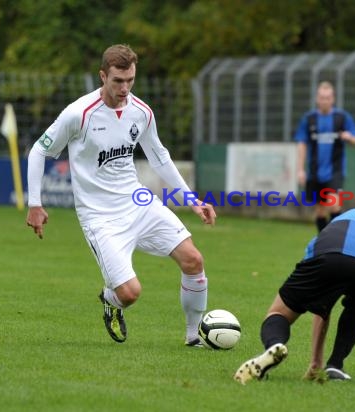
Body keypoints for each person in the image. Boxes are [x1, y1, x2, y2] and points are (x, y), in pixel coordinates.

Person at [26, 44, 216, 345]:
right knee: (130, 293)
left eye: (130, 80)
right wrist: (35, 204)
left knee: (193, 259)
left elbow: (160, 158)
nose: (125, 88)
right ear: (103, 76)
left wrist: (192, 201)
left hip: (138, 203)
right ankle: (111, 301)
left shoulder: (141, 112)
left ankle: (194, 336)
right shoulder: (79, 114)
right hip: (100, 217)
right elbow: (39, 150)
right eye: (118, 81)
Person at [234, 177, 355, 385]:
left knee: (279, 312)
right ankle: (334, 365)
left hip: (327, 253)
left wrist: (314, 362)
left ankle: (275, 344)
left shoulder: (343, 218)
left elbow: (320, 304)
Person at [295, 81, 355, 232]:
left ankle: (336, 240)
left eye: (328, 97)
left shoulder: (342, 117)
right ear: (317, 99)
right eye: (322, 97)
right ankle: (323, 242)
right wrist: (300, 169)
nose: (325, 100)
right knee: (320, 210)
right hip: (314, 171)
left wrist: (349, 137)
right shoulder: (309, 118)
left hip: (335, 171)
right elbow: (302, 144)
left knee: (334, 204)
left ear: (333, 99)